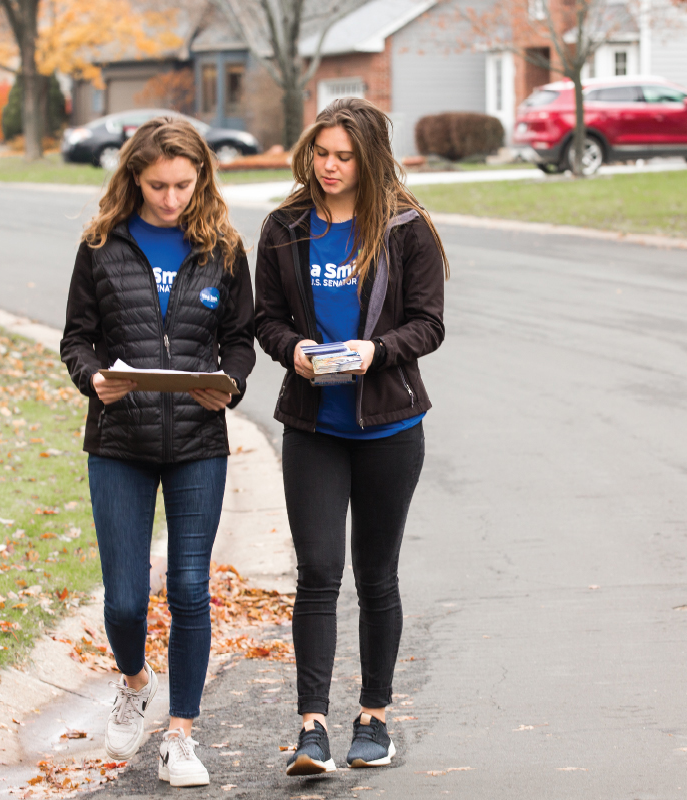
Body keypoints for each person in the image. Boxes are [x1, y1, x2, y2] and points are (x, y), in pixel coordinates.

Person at [254, 98, 449, 775]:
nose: (328, 167)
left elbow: (428, 323)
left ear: (369, 160)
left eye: (343, 157)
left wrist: (377, 352)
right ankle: (312, 728)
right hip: (314, 425)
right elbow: (266, 319)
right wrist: (296, 349)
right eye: (320, 153)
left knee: (376, 575)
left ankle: (375, 717)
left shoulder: (404, 227)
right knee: (316, 573)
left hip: (390, 426)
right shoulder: (284, 227)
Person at [61, 117, 254, 788]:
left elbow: (239, 340)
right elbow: (76, 341)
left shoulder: (224, 248)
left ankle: (181, 736)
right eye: (156, 186)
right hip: (120, 442)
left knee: (192, 588)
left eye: (182, 184)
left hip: (198, 442)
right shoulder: (100, 245)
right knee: (123, 601)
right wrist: (94, 380)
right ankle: (135, 680)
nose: (171, 199)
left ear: (201, 176)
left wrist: (229, 387)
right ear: (133, 179)